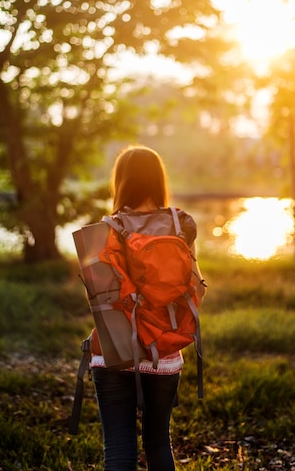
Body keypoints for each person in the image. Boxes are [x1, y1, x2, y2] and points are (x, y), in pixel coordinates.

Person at [90, 145, 207, 471]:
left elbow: (98, 299)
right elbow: (197, 287)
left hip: (113, 351)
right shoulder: (182, 224)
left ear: (121, 181)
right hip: (164, 352)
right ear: (159, 179)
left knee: (118, 450)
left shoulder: (105, 228)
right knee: (158, 444)